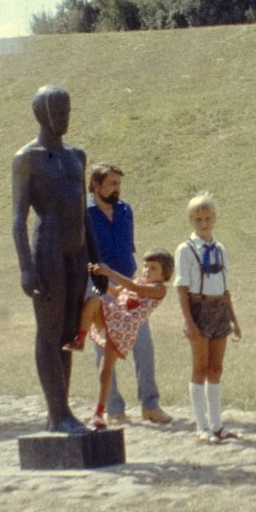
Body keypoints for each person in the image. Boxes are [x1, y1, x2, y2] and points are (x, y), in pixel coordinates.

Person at [12, 85, 100, 434]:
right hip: (47, 248)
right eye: (58, 112)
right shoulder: (27, 158)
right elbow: (18, 218)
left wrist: (96, 261)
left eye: (68, 111)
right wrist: (26, 267)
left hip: (76, 251)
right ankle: (58, 413)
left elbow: (84, 212)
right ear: (42, 115)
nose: (64, 118)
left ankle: (61, 412)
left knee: (68, 332)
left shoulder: (77, 156)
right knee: (49, 330)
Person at [87, 163, 172, 425]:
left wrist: (136, 280)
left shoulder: (125, 210)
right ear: (96, 186)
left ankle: (150, 405)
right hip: (100, 284)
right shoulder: (84, 214)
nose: (117, 189)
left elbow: (128, 247)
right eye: (112, 184)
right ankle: (114, 409)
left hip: (131, 283)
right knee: (105, 350)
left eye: (119, 184)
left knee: (143, 345)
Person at [64, 252, 174, 429]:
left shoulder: (159, 289)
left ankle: (100, 411)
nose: (147, 270)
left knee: (106, 371)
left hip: (124, 330)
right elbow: (115, 292)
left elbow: (134, 288)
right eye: (145, 266)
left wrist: (109, 272)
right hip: (112, 317)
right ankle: (80, 339)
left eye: (153, 268)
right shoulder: (138, 281)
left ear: (165, 273)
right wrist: (97, 277)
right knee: (93, 301)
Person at [174, 194, 242, 442]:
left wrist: (234, 319)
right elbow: (182, 288)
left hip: (220, 309)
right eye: (198, 219)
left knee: (216, 368)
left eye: (208, 218)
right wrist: (189, 321)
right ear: (190, 220)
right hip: (198, 309)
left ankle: (217, 425)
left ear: (214, 219)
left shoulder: (220, 249)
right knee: (200, 368)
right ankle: (201, 427)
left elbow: (225, 288)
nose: (203, 223)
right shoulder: (186, 250)